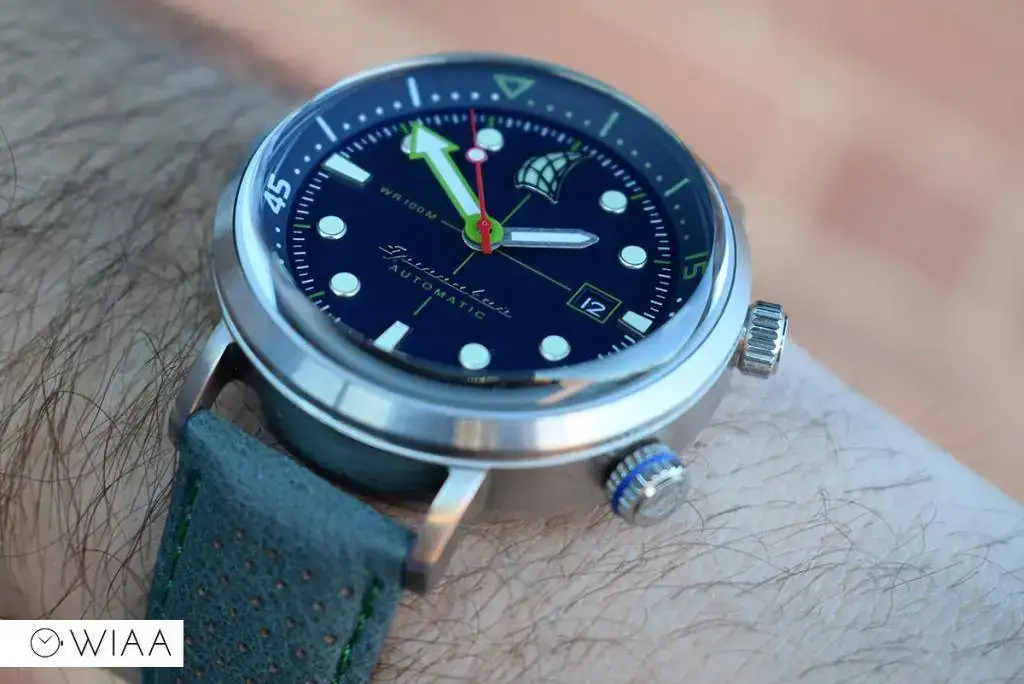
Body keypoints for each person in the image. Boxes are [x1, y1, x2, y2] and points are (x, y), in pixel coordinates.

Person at [1, 1, 1021, 682]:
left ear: (744, 344)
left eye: (495, 239)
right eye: (476, 225)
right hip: (261, 355)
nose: (483, 242)